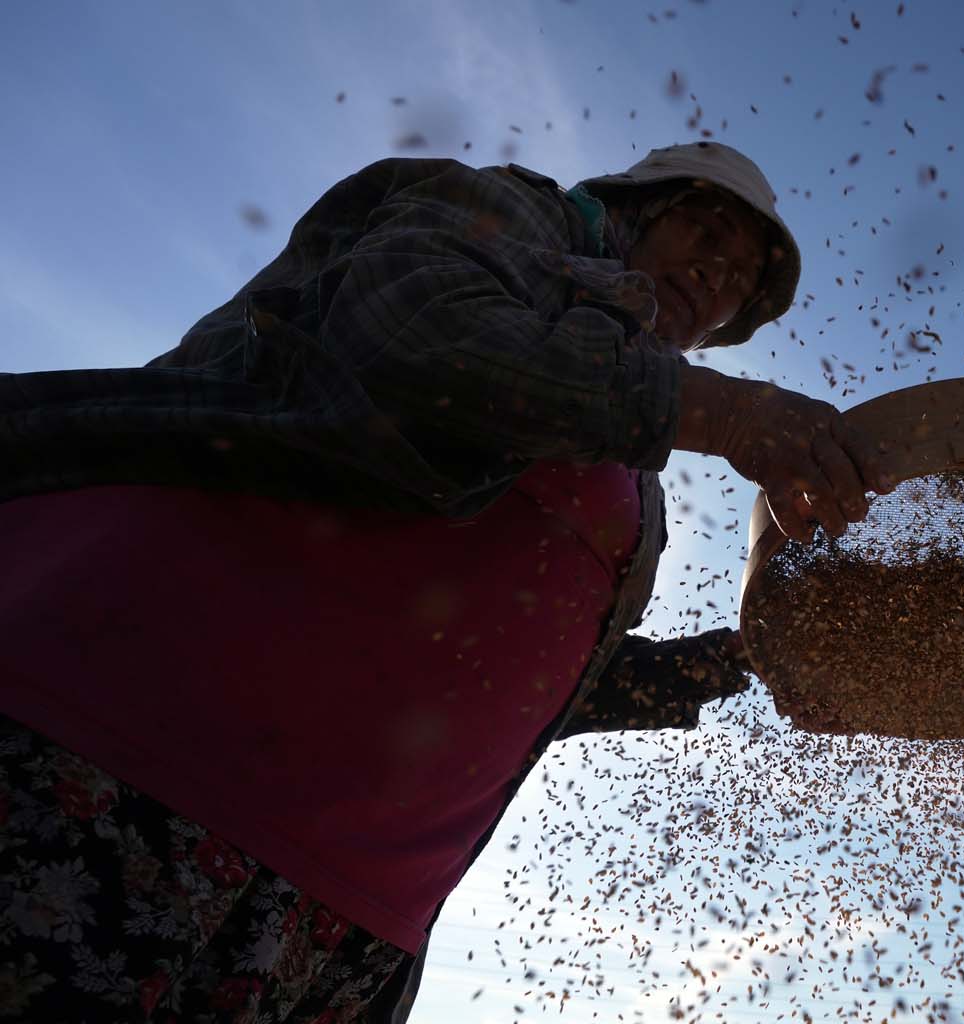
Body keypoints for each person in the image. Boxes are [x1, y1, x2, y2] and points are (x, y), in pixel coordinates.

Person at [0, 141, 891, 1022]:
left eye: (742, 279)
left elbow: (532, 678)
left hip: (344, 909)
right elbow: (412, 330)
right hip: (121, 764)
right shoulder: (503, 216)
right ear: (637, 204)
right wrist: (725, 412)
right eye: (708, 228)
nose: (719, 274)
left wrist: (749, 655)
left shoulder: (632, 470)